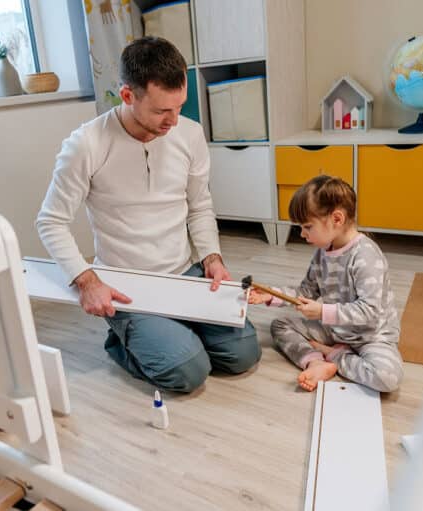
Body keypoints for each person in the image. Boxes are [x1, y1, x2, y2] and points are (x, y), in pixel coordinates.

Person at [36, 37, 260, 393]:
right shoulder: (86, 145)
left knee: (243, 354)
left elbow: (199, 205)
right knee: (189, 371)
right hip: (128, 285)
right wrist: (88, 280)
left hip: (184, 271)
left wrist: (212, 257)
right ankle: (125, 340)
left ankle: (172, 330)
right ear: (128, 96)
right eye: (161, 111)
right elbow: (50, 221)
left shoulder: (190, 134)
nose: (173, 120)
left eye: (179, 107)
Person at [248, 175, 403, 392]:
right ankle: (314, 361)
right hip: (336, 329)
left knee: (387, 378)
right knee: (280, 325)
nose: (302, 234)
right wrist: (271, 295)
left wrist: (322, 313)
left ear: (337, 219)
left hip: (371, 335)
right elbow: (305, 292)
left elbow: (371, 311)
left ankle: (333, 356)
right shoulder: (322, 254)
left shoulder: (366, 256)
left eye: (307, 227)